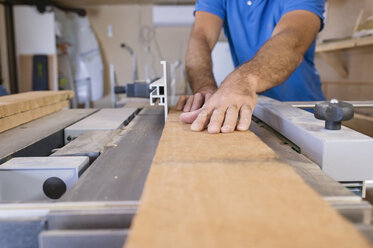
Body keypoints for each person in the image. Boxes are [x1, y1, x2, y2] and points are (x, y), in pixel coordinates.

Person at [176, 0, 325, 134]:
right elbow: (201, 37)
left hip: (303, 115)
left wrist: (242, 79)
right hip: (254, 115)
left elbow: (292, 41)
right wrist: (204, 87)